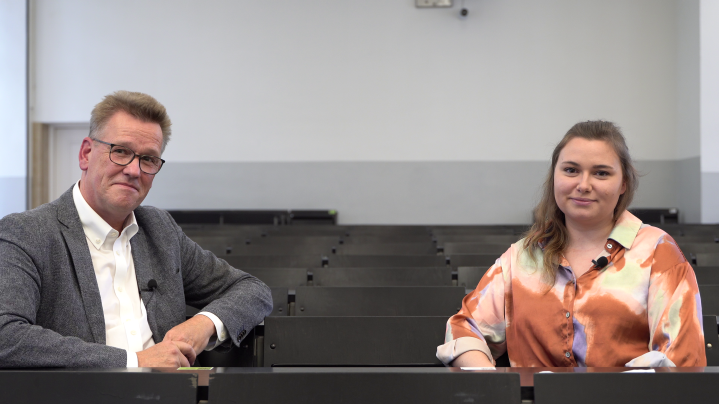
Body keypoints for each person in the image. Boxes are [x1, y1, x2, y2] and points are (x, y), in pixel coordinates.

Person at [0, 91, 272, 368]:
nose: (134, 170)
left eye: (149, 159)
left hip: (172, 390)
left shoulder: (160, 230)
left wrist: (204, 323)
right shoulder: (26, 233)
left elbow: (253, 290)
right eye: (120, 151)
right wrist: (135, 361)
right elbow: (5, 335)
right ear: (86, 154)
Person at [437, 120, 706, 367]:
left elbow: (682, 360)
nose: (583, 184)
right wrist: (492, 383)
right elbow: (464, 328)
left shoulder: (658, 252)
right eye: (571, 170)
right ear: (555, 176)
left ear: (623, 183)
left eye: (601, 173)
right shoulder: (522, 257)